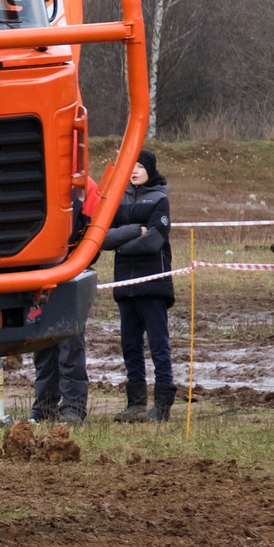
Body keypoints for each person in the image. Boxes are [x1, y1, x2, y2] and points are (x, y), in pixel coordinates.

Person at [104, 149, 175, 423]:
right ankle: (135, 404)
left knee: (158, 345)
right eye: (130, 165)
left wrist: (121, 245)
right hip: (125, 284)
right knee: (130, 345)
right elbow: (104, 237)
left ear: (150, 169)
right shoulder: (117, 198)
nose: (133, 170)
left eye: (139, 166)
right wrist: (135, 230)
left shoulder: (160, 199)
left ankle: (162, 405)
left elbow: (154, 240)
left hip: (152, 283)